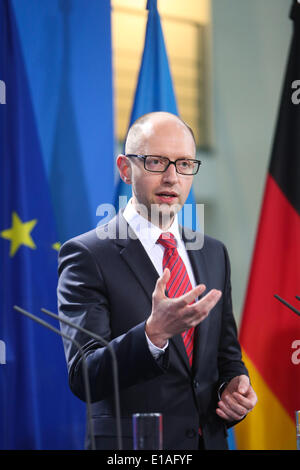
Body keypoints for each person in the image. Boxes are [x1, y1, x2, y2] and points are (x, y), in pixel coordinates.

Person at [57, 111, 257, 450]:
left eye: (183, 164)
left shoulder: (213, 253)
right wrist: (153, 334)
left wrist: (234, 390)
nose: (171, 177)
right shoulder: (87, 255)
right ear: (125, 168)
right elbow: (84, 376)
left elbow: (226, 357)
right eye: (155, 162)